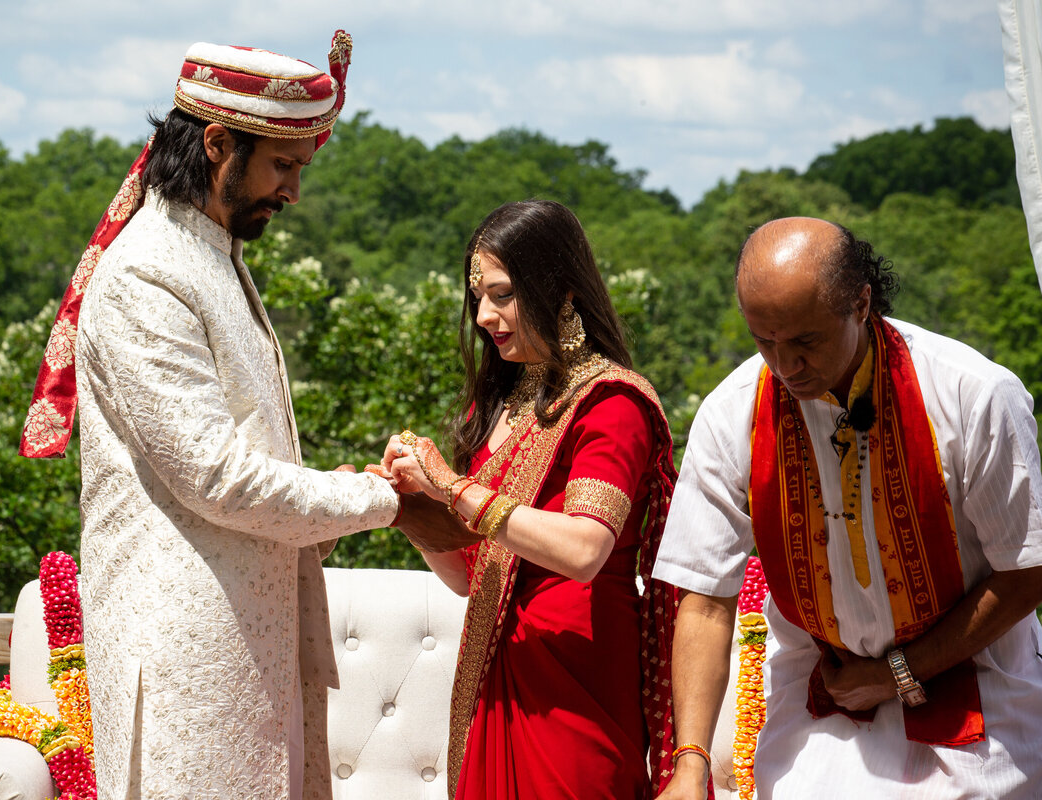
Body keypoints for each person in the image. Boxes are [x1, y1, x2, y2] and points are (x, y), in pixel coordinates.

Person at [18, 34, 402, 800]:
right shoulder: (148, 273)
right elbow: (215, 477)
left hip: (240, 654)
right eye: (283, 165)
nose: (293, 191)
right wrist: (382, 497)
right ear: (219, 144)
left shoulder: (209, 255)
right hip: (182, 660)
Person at [653, 217, 1042, 799]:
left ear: (862, 303)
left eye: (805, 342)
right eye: (764, 341)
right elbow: (706, 598)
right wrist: (688, 768)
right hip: (818, 707)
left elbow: (1027, 571)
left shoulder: (973, 393)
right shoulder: (732, 411)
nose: (784, 367)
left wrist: (895, 675)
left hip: (979, 695)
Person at [376, 200, 679, 799]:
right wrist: (408, 509)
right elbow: (472, 576)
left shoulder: (611, 404)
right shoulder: (501, 405)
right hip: (496, 668)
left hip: (577, 680)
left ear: (561, 289)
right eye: (479, 298)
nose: (486, 315)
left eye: (504, 294)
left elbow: (586, 548)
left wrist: (455, 487)